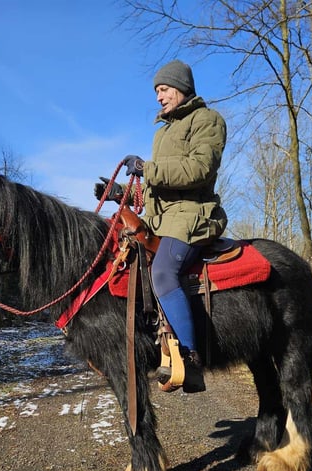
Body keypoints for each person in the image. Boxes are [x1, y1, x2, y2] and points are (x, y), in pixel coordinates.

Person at [95, 60, 228, 393]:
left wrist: (147, 168)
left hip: (192, 214)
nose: (158, 97)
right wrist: (120, 193)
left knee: (164, 272)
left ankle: (191, 357)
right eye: (156, 91)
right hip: (160, 219)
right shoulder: (163, 132)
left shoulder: (207, 121)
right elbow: (154, 190)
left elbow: (199, 169)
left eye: (164, 89)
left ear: (181, 87)